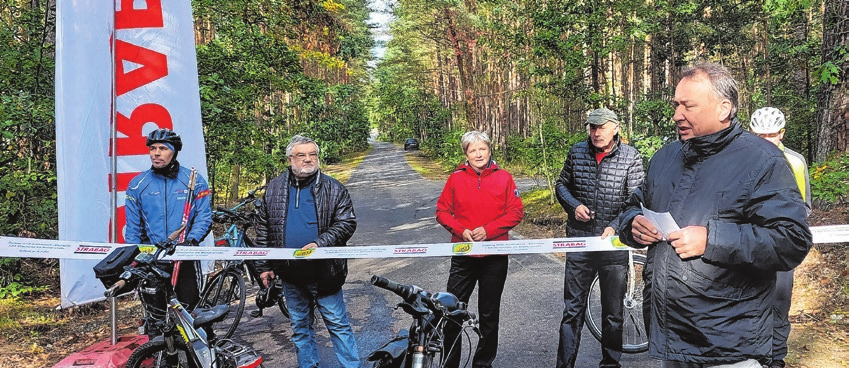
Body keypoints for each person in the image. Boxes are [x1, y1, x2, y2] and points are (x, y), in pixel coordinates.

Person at [618, 63, 812, 367]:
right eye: (676, 105)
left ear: (724, 108)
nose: (677, 115)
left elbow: (791, 240)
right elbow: (632, 206)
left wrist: (712, 239)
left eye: (688, 106)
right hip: (673, 343)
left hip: (730, 348)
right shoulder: (665, 158)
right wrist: (632, 225)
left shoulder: (762, 160)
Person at [255, 135, 360, 368]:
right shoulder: (274, 189)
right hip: (290, 275)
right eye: (301, 155)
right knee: (300, 329)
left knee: (339, 326)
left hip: (325, 273)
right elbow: (263, 230)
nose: (308, 159)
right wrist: (264, 267)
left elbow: (346, 223)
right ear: (290, 158)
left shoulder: (334, 188)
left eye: (312, 154)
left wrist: (320, 244)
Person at [554, 108, 645, 368]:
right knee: (572, 310)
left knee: (613, 312)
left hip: (612, 245)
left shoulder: (631, 157)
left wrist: (616, 226)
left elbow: (636, 199)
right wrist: (574, 206)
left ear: (615, 128)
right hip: (579, 241)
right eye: (592, 128)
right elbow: (561, 185)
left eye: (601, 127)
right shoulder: (576, 151)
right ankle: (564, 364)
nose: (596, 133)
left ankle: (610, 364)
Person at [435, 131, 524, 368]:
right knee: (452, 311)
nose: (478, 154)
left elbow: (516, 212)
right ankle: (450, 363)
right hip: (463, 254)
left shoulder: (504, 177)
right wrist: (461, 230)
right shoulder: (455, 179)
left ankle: (483, 363)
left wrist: (489, 230)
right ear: (466, 154)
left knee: (489, 314)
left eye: (482, 149)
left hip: (494, 255)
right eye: (472, 150)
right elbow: (442, 212)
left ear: (489, 149)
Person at [750, 107, 812, 368]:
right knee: (750, 302)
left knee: (779, 305)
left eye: (771, 135)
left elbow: (805, 205)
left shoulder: (796, 162)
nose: (765, 140)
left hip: (781, 244)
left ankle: (776, 360)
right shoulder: (742, 159)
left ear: (782, 133)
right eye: (759, 135)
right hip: (752, 242)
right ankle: (752, 356)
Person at [125, 128, 212, 311]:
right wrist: (133, 257)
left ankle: (198, 339)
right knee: (156, 314)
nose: (156, 153)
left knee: (189, 311)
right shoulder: (137, 185)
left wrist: (190, 241)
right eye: (152, 148)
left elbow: (204, 217)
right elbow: (133, 228)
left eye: (163, 148)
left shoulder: (193, 180)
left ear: (174, 151)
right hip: (153, 258)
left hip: (184, 256)